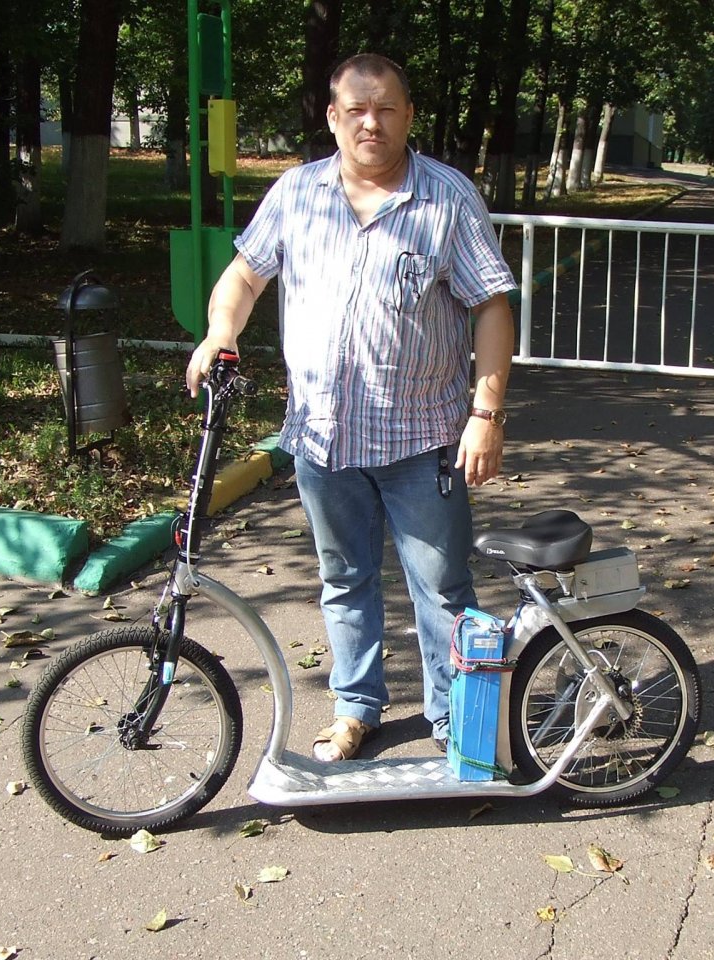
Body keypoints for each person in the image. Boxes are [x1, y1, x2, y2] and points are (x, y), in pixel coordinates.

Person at [186, 53, 516, 762]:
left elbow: (490, 305)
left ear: (409, 116)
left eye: (387, 108)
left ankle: (454, 721)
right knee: (344, 581)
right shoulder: (296, 193)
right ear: (333, 118)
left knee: (442, 590)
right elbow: (244, 275)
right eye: (357, 110)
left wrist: (486, 412)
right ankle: (355, 708)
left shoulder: (447, 197)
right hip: (322, 439)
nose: (373, 122)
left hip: (421, 441)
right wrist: (220, 331)